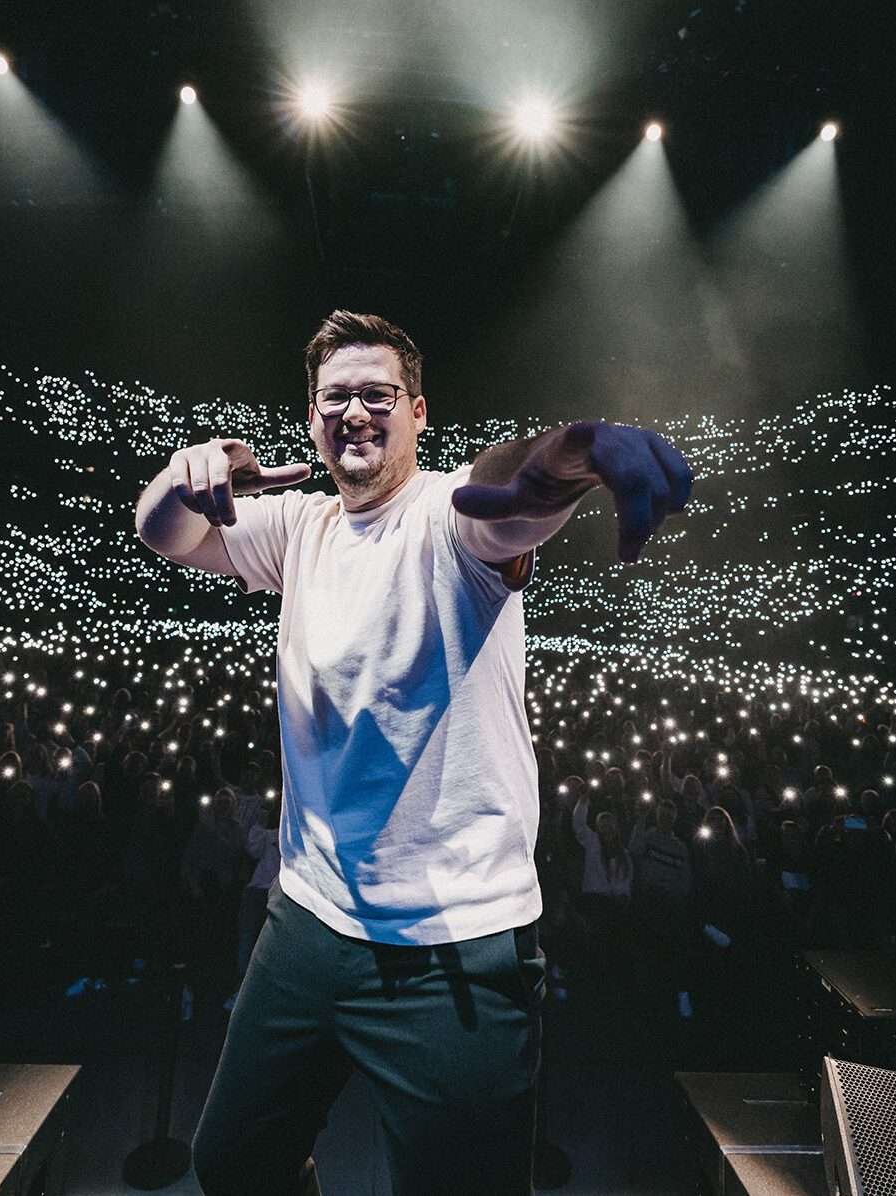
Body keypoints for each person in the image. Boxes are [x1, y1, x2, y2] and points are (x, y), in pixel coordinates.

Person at [134, 310, 692, 1195]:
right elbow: (163, 536)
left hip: (453, 945)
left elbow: (509, 493)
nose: (354, 412)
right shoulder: (302, 527)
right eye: (334, 398)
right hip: (310, 917)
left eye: (378, 394)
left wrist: (576, 453)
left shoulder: (446, 516)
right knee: (234, 1163)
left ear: (419, 412)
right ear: (311, 419)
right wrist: (183, 477)